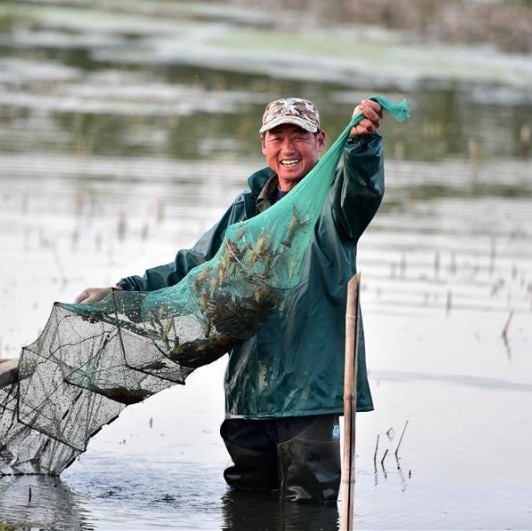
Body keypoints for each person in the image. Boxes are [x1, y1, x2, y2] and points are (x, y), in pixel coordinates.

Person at [76, 97, 385, 504]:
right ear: (264, 144)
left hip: (312, 392)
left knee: (309, 506)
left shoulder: (335, 203)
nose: (288, 149)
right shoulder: (246, 208)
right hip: (249, 391)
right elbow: (198, 265)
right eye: (278, 138)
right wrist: (127, 289)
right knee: (246, 503)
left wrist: (363, 145)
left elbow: (363, 189)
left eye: (299, 137)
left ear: (321, 141)